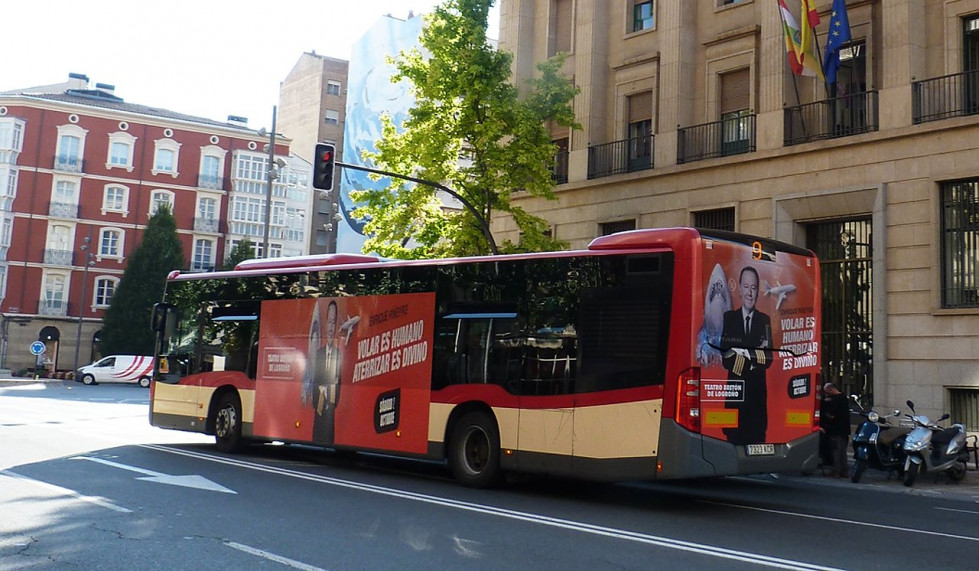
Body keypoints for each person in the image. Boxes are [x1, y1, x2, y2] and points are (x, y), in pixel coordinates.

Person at [721, 265, 773, 445]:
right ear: (740, 290)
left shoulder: (764, 320)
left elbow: (768, 358)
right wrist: (753, 358)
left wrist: (742, 356)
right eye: (746, 287)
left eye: (753, 288)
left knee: (757, 440)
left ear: (758, 292)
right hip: (735, 398)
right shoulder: (729, 318)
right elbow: (726, 356)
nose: (750, 293)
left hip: (757, 399)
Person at [820, 382, 851, 477]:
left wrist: (826, 418)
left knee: (836, 450)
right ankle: (844, 470)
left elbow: (831, 415)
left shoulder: (834, 401)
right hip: (844, 429)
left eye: (827, 392)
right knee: (842, 450)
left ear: (831, 390)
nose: (827, 395)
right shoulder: (844, 398)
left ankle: (836, 470)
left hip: (835, 428)